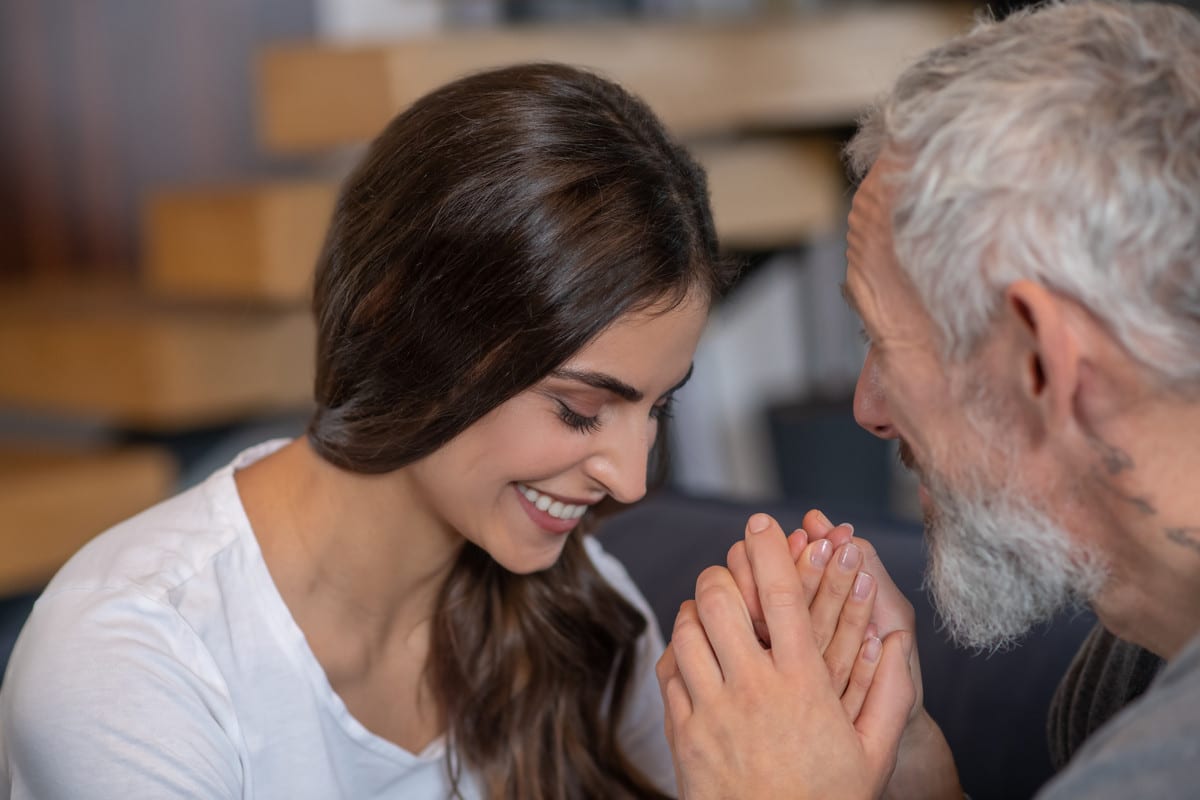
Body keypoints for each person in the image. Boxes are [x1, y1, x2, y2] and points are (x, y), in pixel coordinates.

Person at [0, 62, 752, 800]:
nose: (629, 479)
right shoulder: (130, 666)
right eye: (578, 408)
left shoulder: (584, 611)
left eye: (657, 409)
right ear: (404, 324)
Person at [656, 1, 1200, 798]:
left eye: (881, 337)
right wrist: (913, 772)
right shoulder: (1133, 658)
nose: (867, 408)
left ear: (1042, 364)